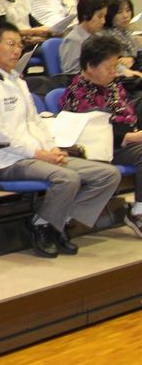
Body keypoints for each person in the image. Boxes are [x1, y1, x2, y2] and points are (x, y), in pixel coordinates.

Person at [0, 22, 120, 257]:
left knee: (108, 175)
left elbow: (36, 122)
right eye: (10, 44)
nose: (16, 50)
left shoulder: (18, 81)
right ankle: (42, 226)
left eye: (19, 45)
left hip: (40, 155)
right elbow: (0, 137)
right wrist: (41, 154)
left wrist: (53, 148)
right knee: (67, 178)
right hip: (9, 161)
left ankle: (55, 222)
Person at [60, 35, 142, 236]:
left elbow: (127, 113)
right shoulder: (77, 91)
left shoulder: (112, 84)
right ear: (90, 66)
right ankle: (138, 211)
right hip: (100, 147)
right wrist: (133, 136)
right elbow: (93, 131)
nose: (114, 73)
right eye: (109, 68)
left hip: (126, 140)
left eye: (116, 66)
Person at [59, 0, 108, 76]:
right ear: (86, 16)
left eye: (104, 16)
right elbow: (72, 73)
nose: (103, 21)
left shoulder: (99, 37)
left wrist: (123, 70)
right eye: (99, 17)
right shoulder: (73, 40)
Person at [103, 0, 142, 75]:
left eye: (128, 10)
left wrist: (133, 59)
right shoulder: (106, 37)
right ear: (109, 14)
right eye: (119, 12)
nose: (126, 15)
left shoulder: (126, 32)